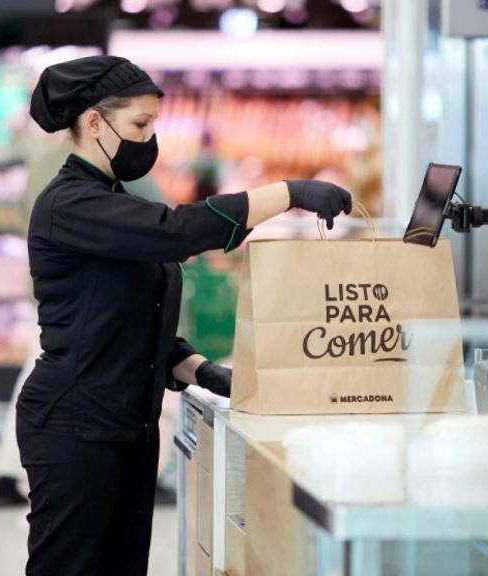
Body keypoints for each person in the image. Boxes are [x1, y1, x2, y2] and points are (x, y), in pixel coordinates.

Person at [17, 55, 352, 576]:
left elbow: (127, 320)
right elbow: (176, 230)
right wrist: (288, 194)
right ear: (94, 122)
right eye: (139, 125)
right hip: (76, 424)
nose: (149, 139)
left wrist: (201, 370)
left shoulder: (110, 200)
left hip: (127, 423)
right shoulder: (70, 204)